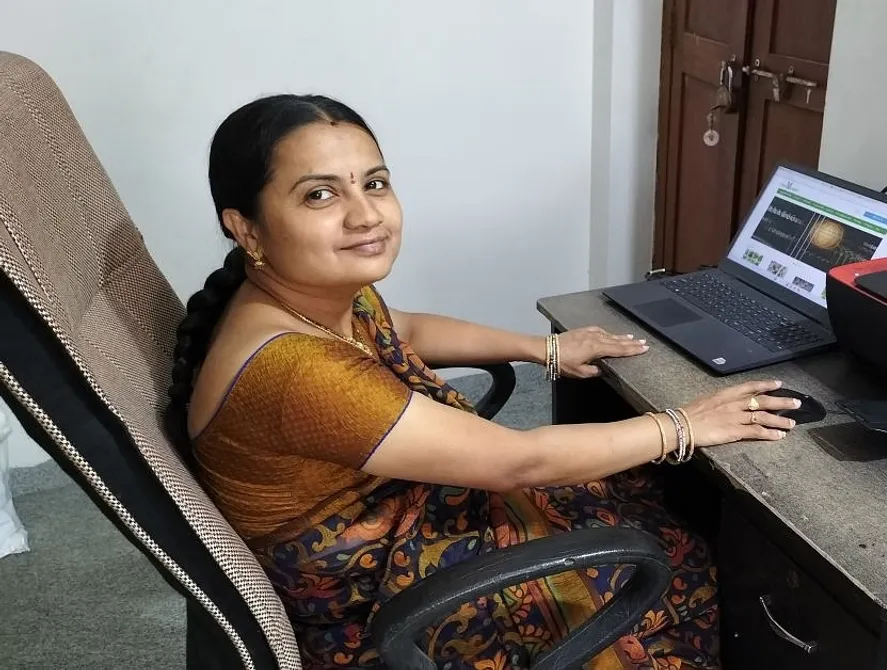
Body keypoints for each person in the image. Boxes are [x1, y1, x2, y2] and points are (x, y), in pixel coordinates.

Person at [166, 94, 800, 670]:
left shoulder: (308, 299)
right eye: (320, 195)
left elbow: (404, 326)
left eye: (375, 183)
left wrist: (543, 348)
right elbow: (518, 463)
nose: (366, 215)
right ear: (246, 227)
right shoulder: (293, 369)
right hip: (374, 608)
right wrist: (685, 424)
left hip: (401, 516)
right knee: (676, 560)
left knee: (639, 494)